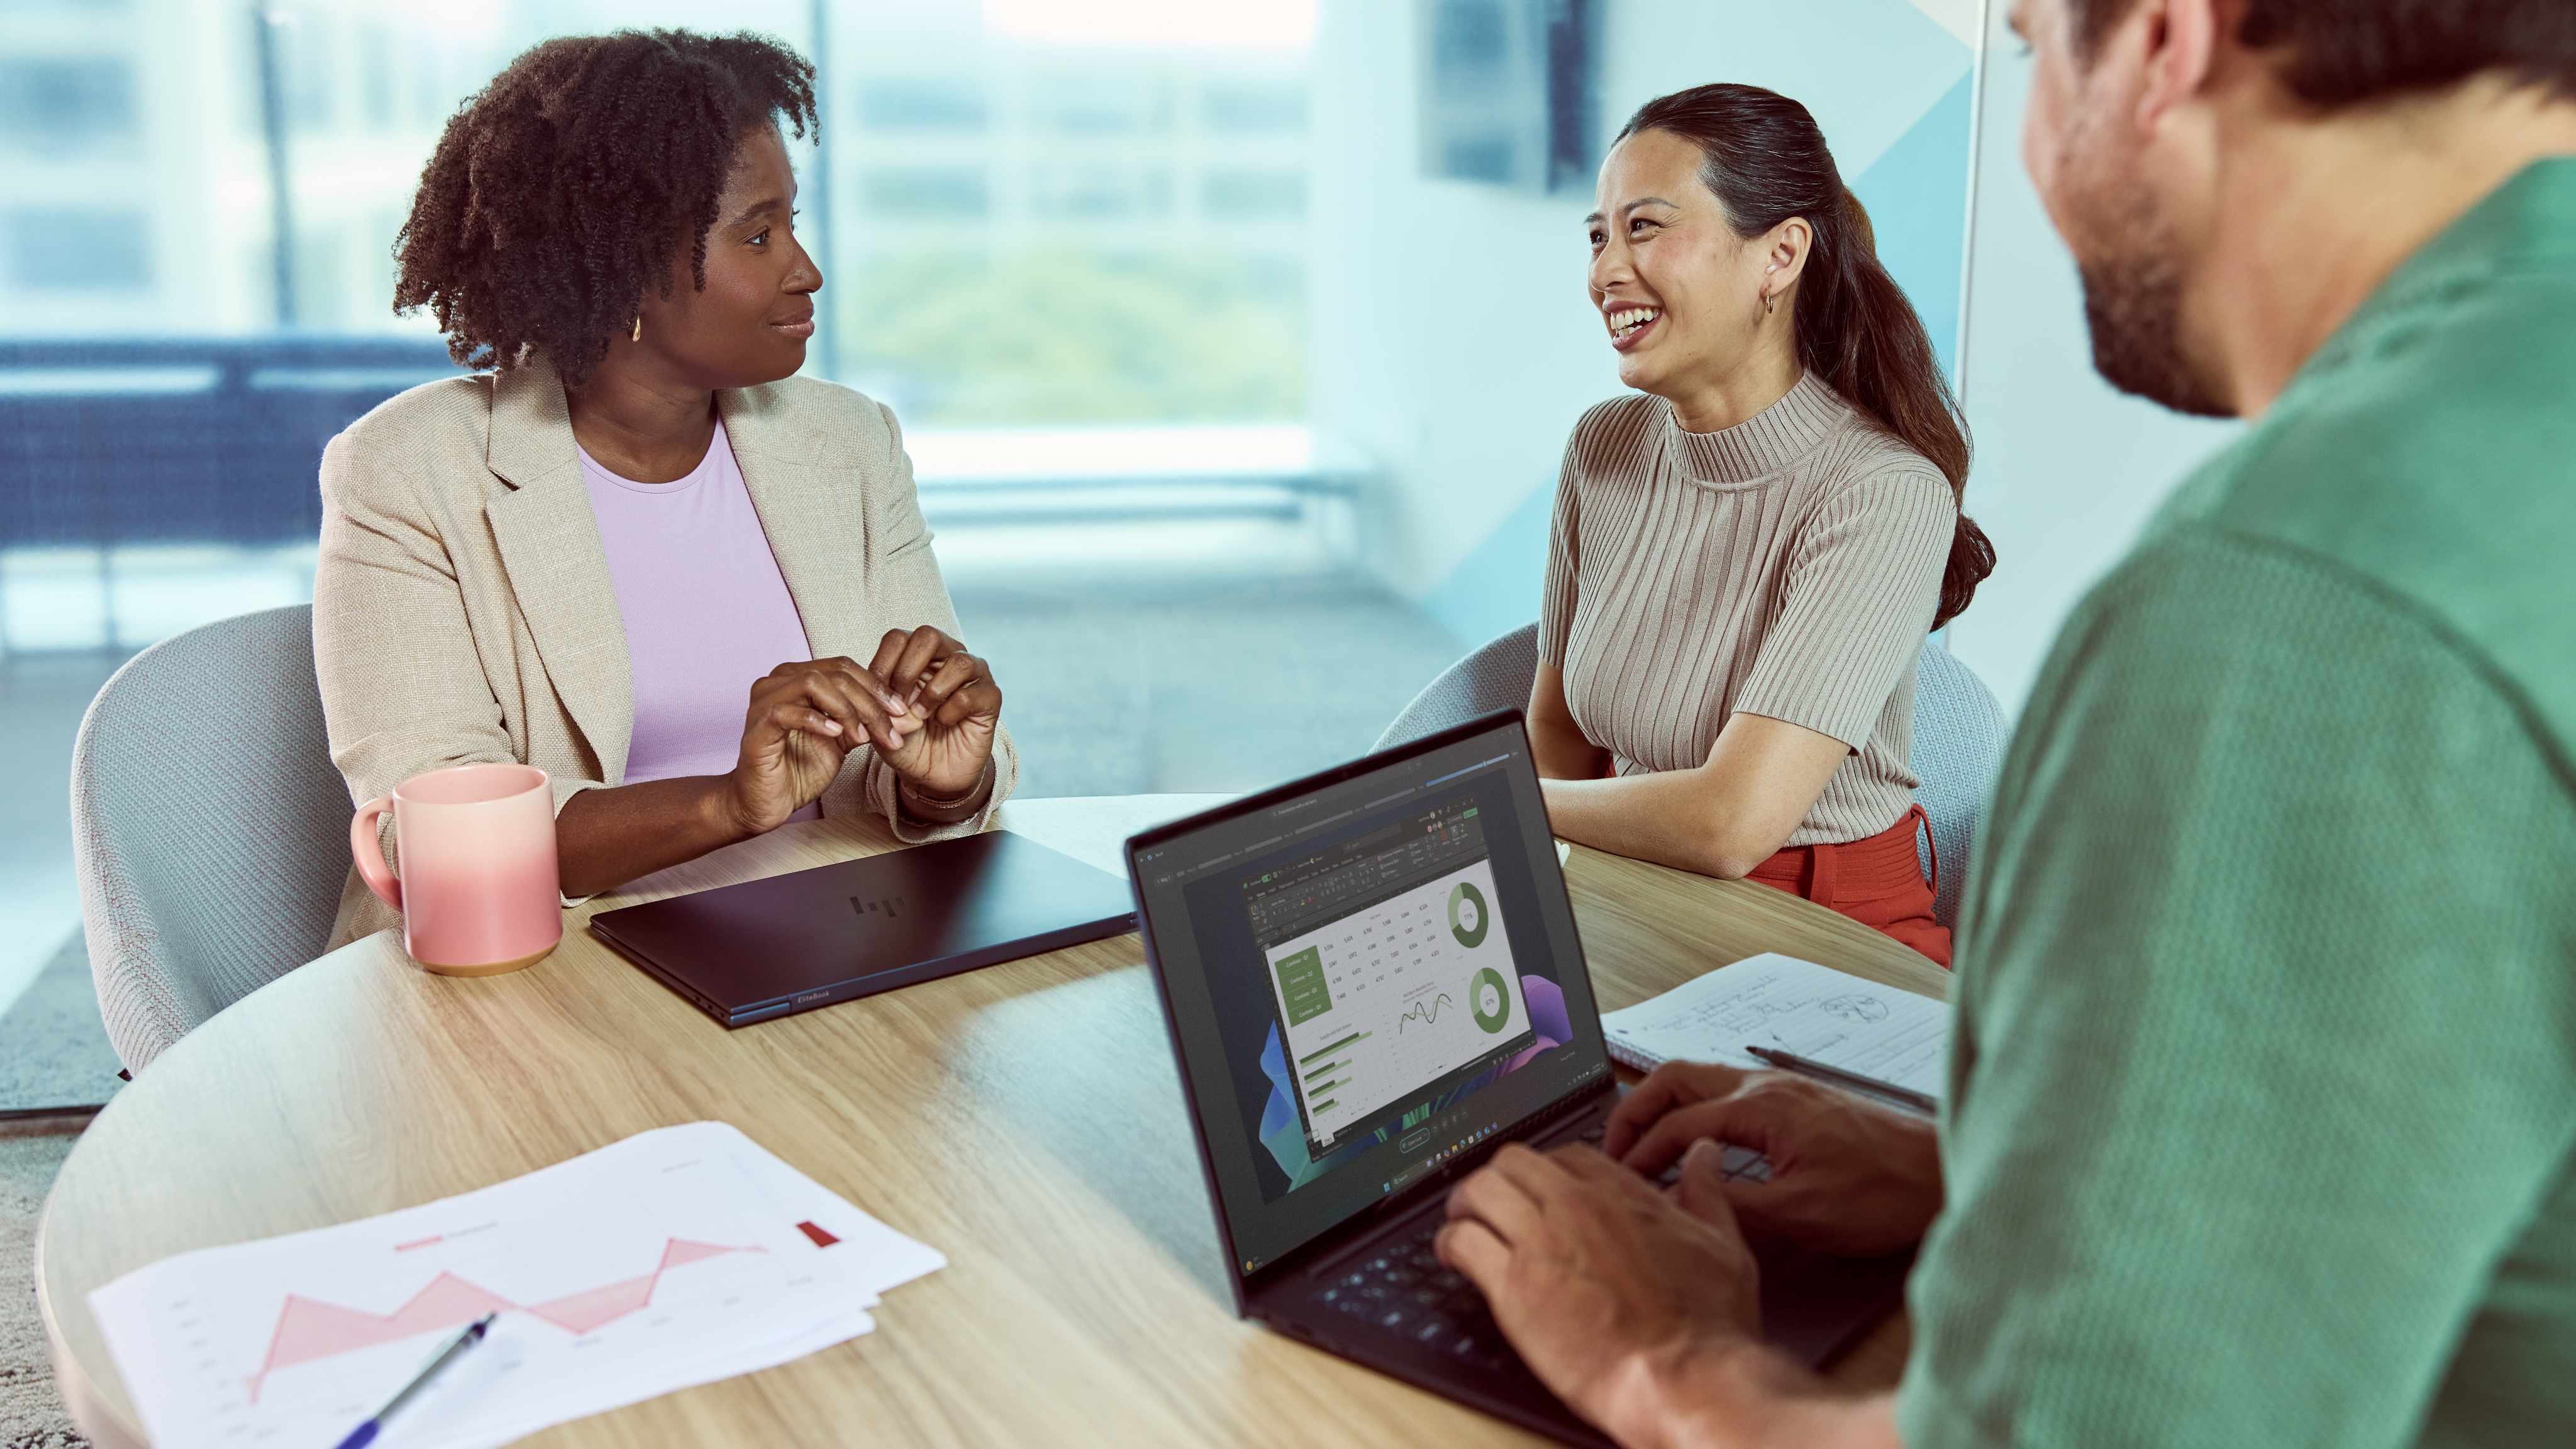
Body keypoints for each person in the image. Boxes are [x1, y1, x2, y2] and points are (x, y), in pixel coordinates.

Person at [1441, 1, 2576, 1443]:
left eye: (2033, 47)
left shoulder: (2299, 604)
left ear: (2162, 40)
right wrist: (1964, 1172)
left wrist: (1657, 1364)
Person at [315, 30, 1016, 949]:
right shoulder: (412, 469)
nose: (803, 270)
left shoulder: (848, 442)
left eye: (792, 225)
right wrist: (726, 805)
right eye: (757, 235)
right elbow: (430, 830)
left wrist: (939, 780)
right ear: (629, 262)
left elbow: (945, 768)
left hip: (821, 942)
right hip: (539, 971)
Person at [1529, 85, 1996, 967]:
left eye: (1646, 228)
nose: (1604, 272)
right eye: (1599, 236)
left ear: (1779, 255)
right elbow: (1557, 739)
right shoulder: (1602, 448)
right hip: (1629, 891)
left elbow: (1729, 824)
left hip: (1823, 934)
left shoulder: (1882, 492)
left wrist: (1486, 810)